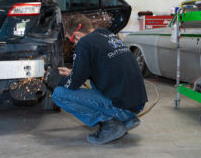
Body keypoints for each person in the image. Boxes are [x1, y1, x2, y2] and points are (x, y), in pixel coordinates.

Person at [52, 14, 148, 145]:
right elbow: (100, 68)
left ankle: (111, 125)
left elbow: (72, 84)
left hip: (123, 107)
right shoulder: (107, 35)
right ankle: (126, 120)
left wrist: (55, 80)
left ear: (78, 35)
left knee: (59, 94)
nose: (73, 43)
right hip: (136, 104)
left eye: (71, 40)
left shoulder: (84, 43)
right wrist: (72, 72)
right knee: (94, 82)